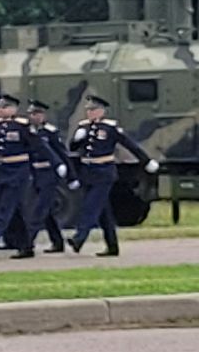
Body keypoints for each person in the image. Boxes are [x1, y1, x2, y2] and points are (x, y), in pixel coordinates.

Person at [67, 95, 159, 256]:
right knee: (103, 212)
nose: (89, 113)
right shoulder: (84, 127)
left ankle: (79, 238)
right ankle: (112, 246)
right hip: (88, 172)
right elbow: (73, 148)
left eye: (93, 110)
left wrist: (146, 161)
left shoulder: (110, 128)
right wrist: (76, 139)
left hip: (104, 172)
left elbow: (130, 145)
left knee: (90, 206)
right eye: (88, 110)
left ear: (101, 111)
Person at [0, 94, 57, 259]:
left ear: (14, 109)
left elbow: (40, 146)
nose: (2, 110)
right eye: (1, 107)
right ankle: (26, 246)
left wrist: (57, 163)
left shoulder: (23, 126)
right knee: (13, 211)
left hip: (18, 171)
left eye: (6, 107)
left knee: (5, 207)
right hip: (1, 170)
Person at [27, 101, 69, 253]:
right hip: (35, 174)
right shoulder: (28, 132)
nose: (34, 117)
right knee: (47, 211)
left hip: (49, 173)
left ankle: (28, 241)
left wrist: (69, 173)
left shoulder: (50, 132)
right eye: (31, 114)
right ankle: (57, 241)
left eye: (36, 114)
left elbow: (62, 153)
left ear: (43, 115)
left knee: (39, 209)